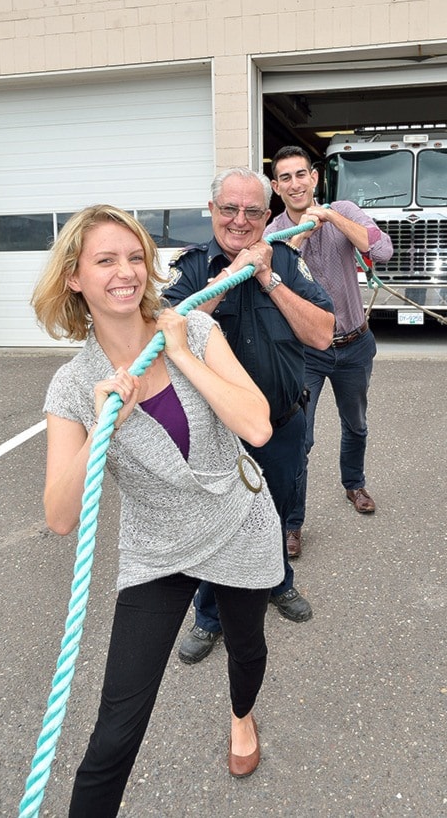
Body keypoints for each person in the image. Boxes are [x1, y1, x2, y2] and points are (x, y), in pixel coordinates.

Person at [31, 204, 286, 815]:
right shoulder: (72, 387)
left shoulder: (194, 331)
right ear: (74, 277)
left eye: (135, 256)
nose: (127, 272)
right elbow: (60, 516)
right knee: (116, 728)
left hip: (237, 517)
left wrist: (182, 354)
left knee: (247, 648)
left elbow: (257, 426)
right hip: (159, 547)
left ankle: (242, 718)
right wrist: (100, 425)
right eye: (105, 260)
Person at [162, 167, 335, 664]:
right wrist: (229, 275)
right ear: (212, 210)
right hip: (216, 439)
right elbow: (168, 333)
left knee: (276, 515)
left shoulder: (285, 260)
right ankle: (210, 616)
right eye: (230, 209)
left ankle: (279, 584)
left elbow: (323, 333)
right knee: (220, 529)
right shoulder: (192, 267)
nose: (240, 220)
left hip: (282, 426)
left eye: (253, 211)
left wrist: (267, 277)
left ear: (267, 214)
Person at [265, 146, 393, 558]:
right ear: (275, 187)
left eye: (301, 174)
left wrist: (331, 217)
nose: (295, 183)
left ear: (315, 178)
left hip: (354, 344)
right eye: (285, 178)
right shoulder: (272, 233)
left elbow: (382, 250)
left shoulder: (344, 209)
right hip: (305, 354)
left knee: (355, 423)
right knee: (299, 438)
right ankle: (292, 524)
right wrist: (300, 233)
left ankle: (353, 484)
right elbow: (275, 278)